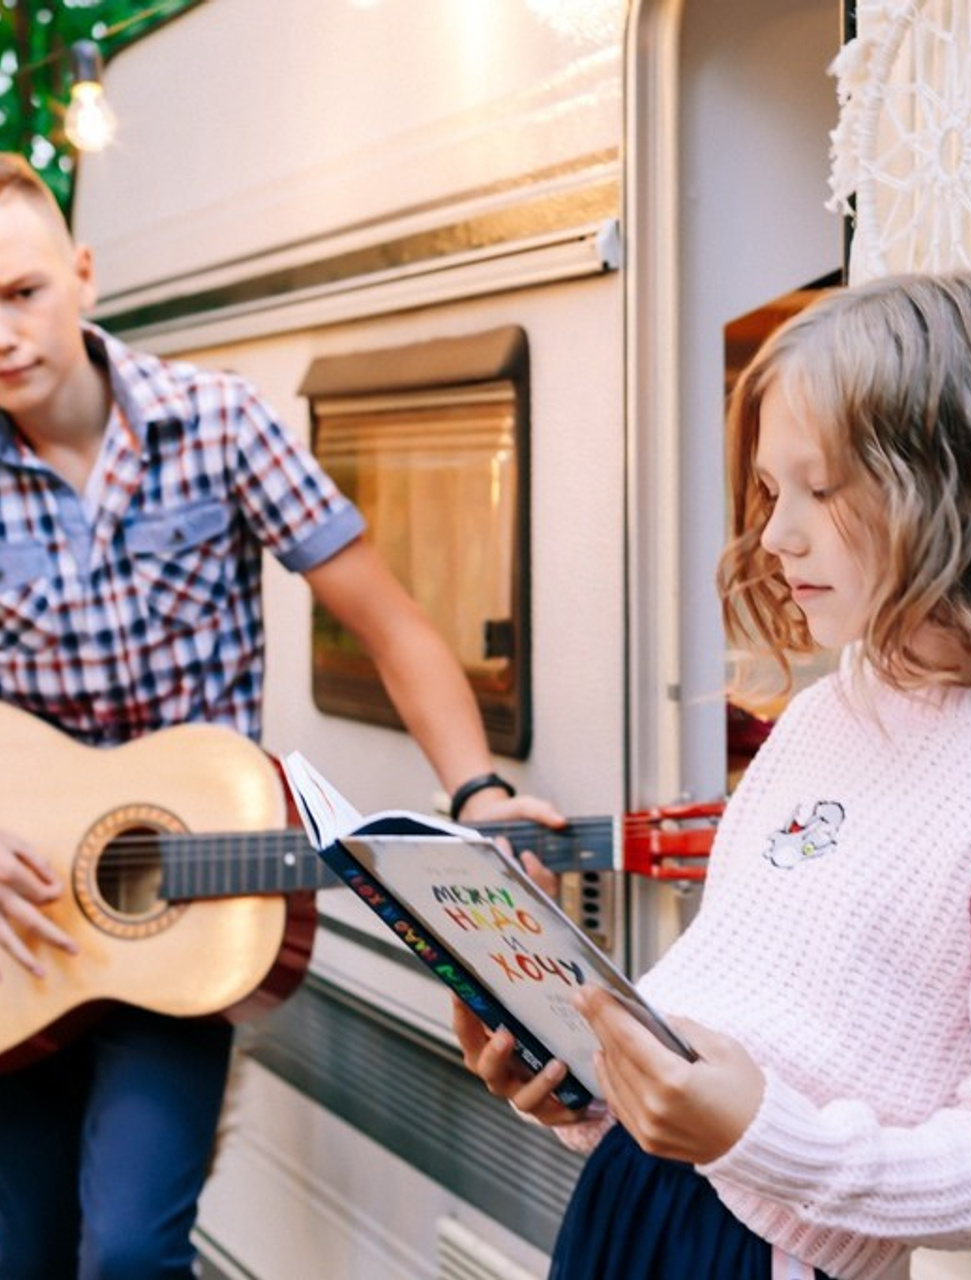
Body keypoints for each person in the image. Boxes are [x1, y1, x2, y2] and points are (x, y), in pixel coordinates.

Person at [455, 271, 971, 1279]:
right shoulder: (828, 712)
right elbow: (741, 1018)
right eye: (772, 492)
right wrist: (584, 1081)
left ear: (958, 485)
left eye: (818, 490)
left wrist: (762, 1138)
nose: (777, 535)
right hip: (628, 1200)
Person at [0, 151, 561, 1280]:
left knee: (129, 1253)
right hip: (18, 929)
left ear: (84, 274)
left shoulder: (218, 423)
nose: (3, 331)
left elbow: (393, 627)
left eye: (23, 291)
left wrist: (477, 791)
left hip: (188, 918)